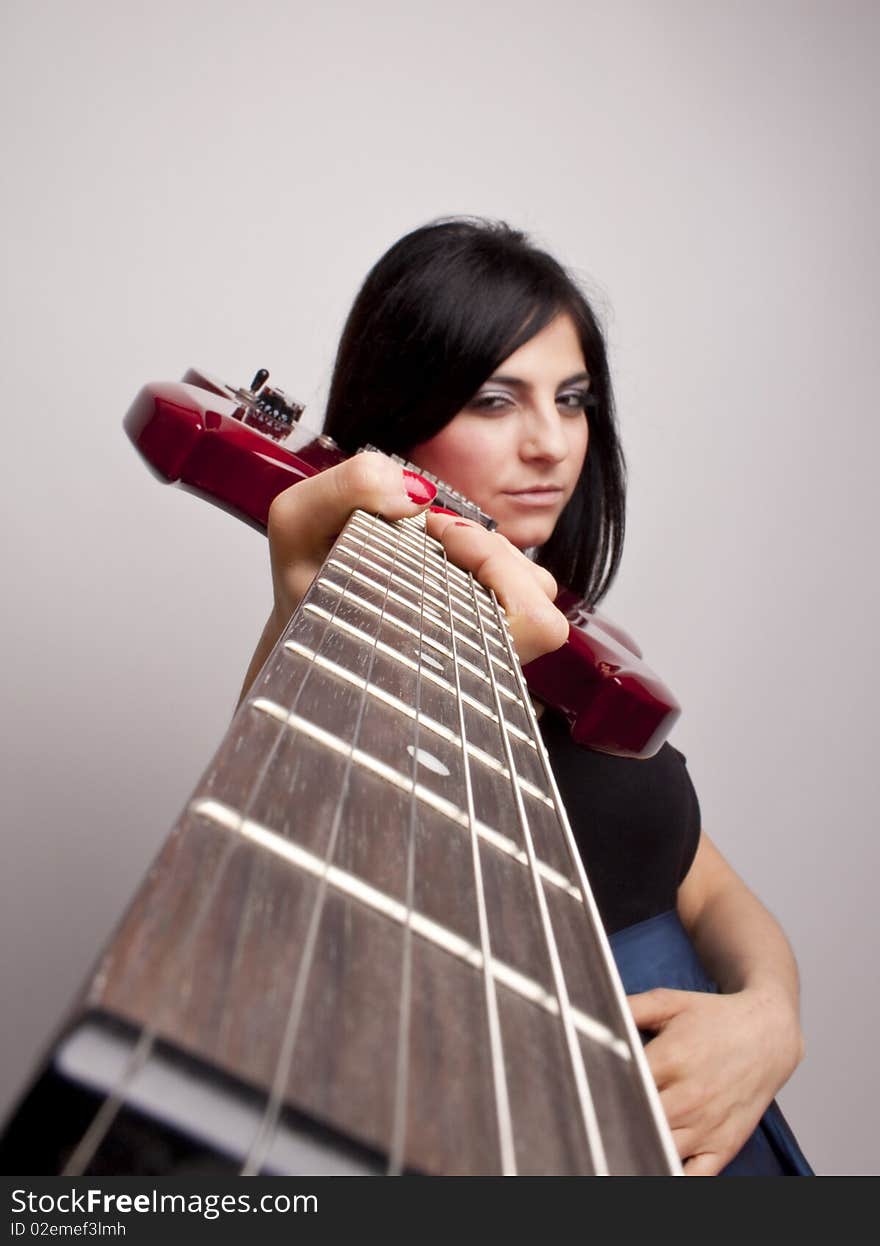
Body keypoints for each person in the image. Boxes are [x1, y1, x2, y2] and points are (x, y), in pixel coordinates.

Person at [238, 217, 811, 1176]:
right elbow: (306, 935)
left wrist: (767, 1017)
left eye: (573, 399)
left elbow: (700, 884)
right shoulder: (340, 654)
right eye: (495, 401)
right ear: (397, 417)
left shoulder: (573, 648)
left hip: (729, 1126)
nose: (551, 444)